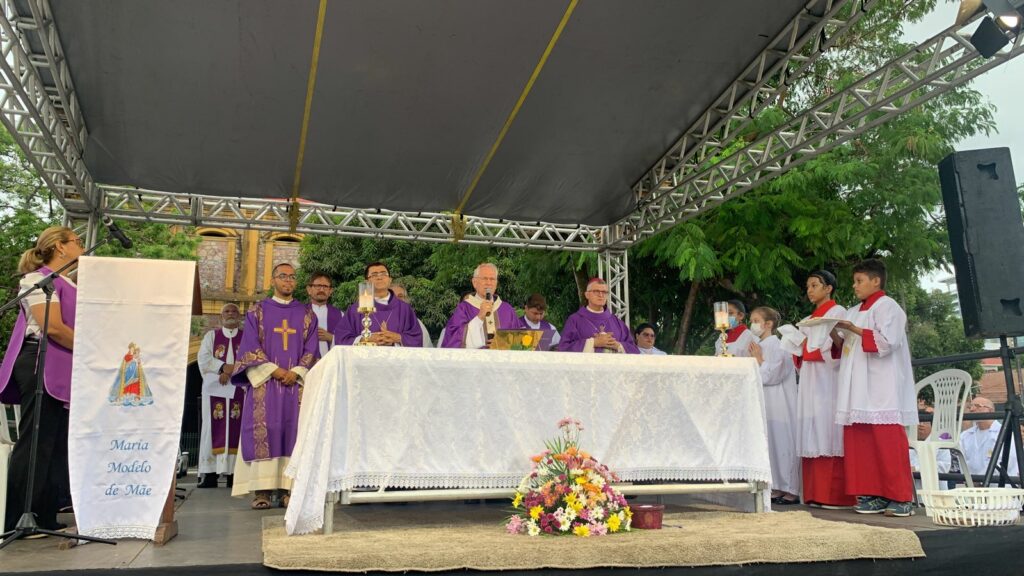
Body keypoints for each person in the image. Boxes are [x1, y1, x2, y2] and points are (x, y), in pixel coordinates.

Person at [1, 226, 83, 532]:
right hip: (40, 362)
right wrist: (91, 348)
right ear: (60, 247)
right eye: (76, 241)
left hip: (62, 364)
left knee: (56, 443)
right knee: (36, 442)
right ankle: (18, 520)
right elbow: (54, 328)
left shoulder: (67, 283)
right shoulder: (38, 280)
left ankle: (46, 516)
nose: (81, 246)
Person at [229, 263, 319, 510]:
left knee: (294, 431)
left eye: (292, 277)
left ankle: (290, 489)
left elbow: (312, 350)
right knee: (265, 430)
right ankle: (263, 491)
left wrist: (296, 372)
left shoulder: (307, 314)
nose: (288, 281)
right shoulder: (256, 312)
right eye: (283, 276)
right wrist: (276, 371)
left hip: (296, 386)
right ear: (273, 280)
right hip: (265, 384)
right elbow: (249, 347)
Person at [832, 259, 917, 517]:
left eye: (859, 281)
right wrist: (833, 331)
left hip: (882, 384)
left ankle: (901, 497)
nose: (854, 286)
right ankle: (872, 494)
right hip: (856, 384)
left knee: (887, 441)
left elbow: (887, 342)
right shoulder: (853, 310)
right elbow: (843, 346)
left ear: (875, 281)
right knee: (861, 442)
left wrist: (853, 328)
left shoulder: (887, 306)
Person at [795, 271, 856, 508]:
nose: (810, 290)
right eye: (808, 286)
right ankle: (812, 493)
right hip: (811, 377)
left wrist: (816, 344)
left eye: (814, 285)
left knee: (826, 429)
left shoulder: (837, 312)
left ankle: (834, 495)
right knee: (811, 428)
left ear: (828, 288)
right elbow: (802, 350)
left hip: (828, 379)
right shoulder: (809, 317)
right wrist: (797, 347)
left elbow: (838, 348)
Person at [748, 307, 800, 505]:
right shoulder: (758, 345)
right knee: (771, 446)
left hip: (780, 403)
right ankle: (777, 486)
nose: (752, 324)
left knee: (782, 444)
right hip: (765, 402)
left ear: (768, 324)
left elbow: (773, 376)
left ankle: (791, 489)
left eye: (755, 320)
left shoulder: (778, 345)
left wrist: (759, 360)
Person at [196, 303, 245, 489]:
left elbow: (250, 358)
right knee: (211, 428)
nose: (230, 314)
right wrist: (223, 368)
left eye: (234, 311)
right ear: (220, 317)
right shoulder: (211, 336)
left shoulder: (246, 337)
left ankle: (235, 474)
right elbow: (204, 358)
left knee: (238, 428)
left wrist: (233, 372)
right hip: (216, 389)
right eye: (227, 311)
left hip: (239, 389)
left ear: (239, 317)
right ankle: (209, 474)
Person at [337, 263, 423, 347]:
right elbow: (341, 338)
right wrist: (365, 339)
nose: (379, 277)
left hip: (396, 360)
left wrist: (397, 338)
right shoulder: (355, 309)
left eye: (383, 273)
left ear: (390, 280)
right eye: (374, 275)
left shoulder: (405, 309)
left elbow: (417, 338)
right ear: (367, 281)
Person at [441, 263, 521, 349]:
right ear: (474, 283)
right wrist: (479, 318)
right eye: (485, 278)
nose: (489, 283)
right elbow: (453, 340)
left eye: (492, 279)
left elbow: (519, 341)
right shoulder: (464, 308)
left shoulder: (507, 310)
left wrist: (503, 343)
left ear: (496, 284)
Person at [558, 278, 639, 354]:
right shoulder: (574, 320)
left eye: (604, 292)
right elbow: (564, 348)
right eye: (596, 291)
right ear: (587, 295)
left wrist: (618, 345)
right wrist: (593, 343)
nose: (601, 295)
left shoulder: (617, 322)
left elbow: (634, 351)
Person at [960, 396, 1018, 480]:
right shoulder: (965, 436)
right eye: (970, 407)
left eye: (977, 406)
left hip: (999, 486)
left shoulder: (1004, 433)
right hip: (972, 488)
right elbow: (962, 461)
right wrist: (969, 480)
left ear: (990, 410)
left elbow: (1007, 461)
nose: (972, 409)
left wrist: (980, 481)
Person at [910, 401, 951, 490]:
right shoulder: (907, 443)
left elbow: (944, 466)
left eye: (925, 423)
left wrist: (917, 469)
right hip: (913, 492)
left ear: (932, 425)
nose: (921, 425)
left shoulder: (940, 442)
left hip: (936, 491)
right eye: (919, 422)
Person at [305, 274, 344, 358]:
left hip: (331, 364)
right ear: (309, 290)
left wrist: (330, 337)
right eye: (318, 286)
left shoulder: (340, 315)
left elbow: (347, 341)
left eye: (325, 286)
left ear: (330, 291)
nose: (322, 289)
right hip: (305, 365)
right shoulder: (300, 313)